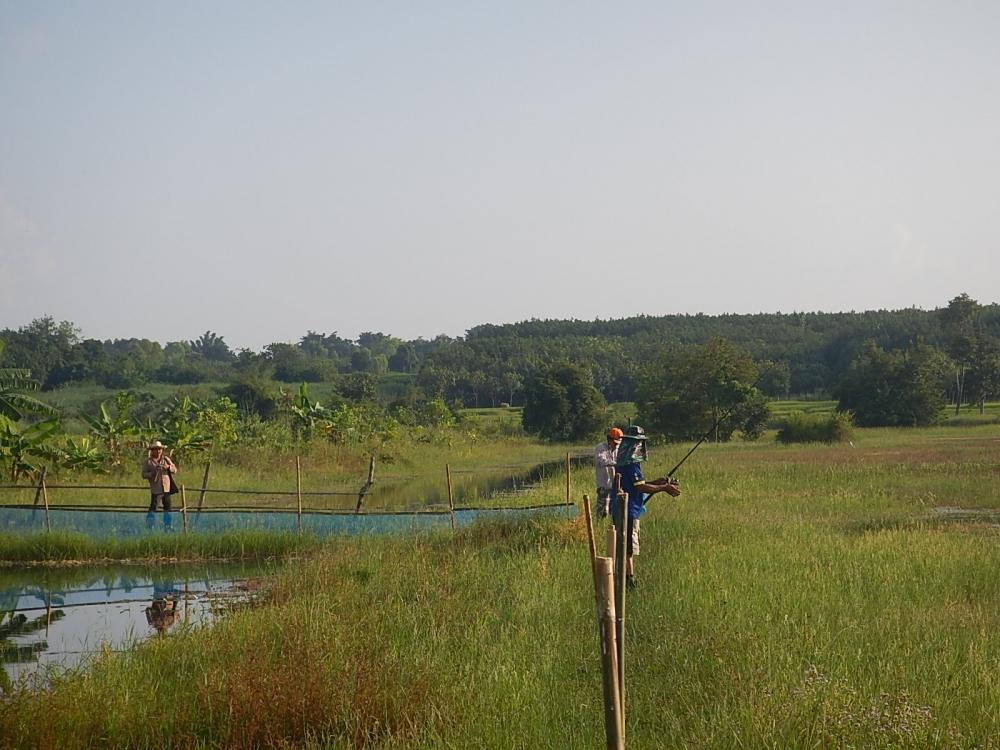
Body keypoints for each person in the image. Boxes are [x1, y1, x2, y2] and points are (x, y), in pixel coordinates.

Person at [611, 425, 682, 589]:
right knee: (628, 549)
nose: (639, 446)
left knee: (626, 548)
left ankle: (627, 580)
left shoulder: (624, 462)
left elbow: (638, 484)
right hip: (628, 511)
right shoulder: (631, 465)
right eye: (638, 443)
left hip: (623, 510)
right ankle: (629, 581)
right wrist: (664, 488)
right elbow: (639, 488)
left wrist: (657, 483)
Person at [142, 440, 177, 514]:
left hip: (166, 489)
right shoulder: (148, 462)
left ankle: (167, 525)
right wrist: (152, 473)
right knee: (153, 509)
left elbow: (174, 470)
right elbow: (144, 474)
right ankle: (150, 525)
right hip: (156, 490)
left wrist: (168, 467)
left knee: (168, 509)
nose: (158, 451)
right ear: (152, 451)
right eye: (156, 449)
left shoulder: (166, 459)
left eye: (160, 449)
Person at [594, 427, 623, 518]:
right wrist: (616, 463)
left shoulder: (618, 449)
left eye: (617, 443)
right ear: (609, 439)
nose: (616, 445)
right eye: (614, 442)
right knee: (602, 511)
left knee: (614, 510)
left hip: (615, 485)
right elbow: (601, 461)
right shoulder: (601, 448)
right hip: (604, 485)